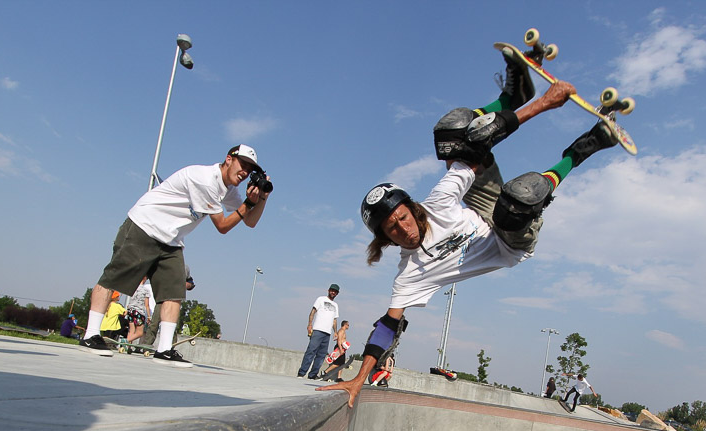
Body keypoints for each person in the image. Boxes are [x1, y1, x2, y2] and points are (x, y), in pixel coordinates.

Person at [322, 55, 625, 407]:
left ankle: (515, 94)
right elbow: (387, 327)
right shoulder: (408, 276)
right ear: (385, 240)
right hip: (510, 241)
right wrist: (360, 378)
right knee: (519, 196)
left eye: (403, 218)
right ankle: (586, 146)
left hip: (482, 208)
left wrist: (543, 103)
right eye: (393, 230)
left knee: (454, 132)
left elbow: (478, 148)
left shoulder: (440, 200)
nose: (404, 230)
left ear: (412, 207)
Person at [76, 145, 270, 366]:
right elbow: (223, 226)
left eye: (249, 169)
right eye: (242, 165)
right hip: (144, 226)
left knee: (174, 293)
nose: (245, 172)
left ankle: (165, 349)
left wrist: (262, 198)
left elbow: (250, 222)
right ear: (228, 159)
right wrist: (248, 203)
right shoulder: (205, 179)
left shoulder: (229, 191)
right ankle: (91, 335)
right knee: (113, 279)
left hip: (171, 240)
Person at [142, 270, 195, 348]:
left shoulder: (183, 268)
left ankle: (170, 346)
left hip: (174, 301)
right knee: (154, 323)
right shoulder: (163, 267)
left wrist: (185, 285)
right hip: (162, 299)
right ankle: (147, 344)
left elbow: (190, 284)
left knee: (171, 324)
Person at [298, 284, 340, 379]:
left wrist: (335, 332)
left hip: (327, 333)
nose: (333, 292)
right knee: (311, 351)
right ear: (328, 290)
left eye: (335, 291)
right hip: (317, 330)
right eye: (332, 290)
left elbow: (334, 320)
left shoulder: (335, 305)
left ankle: (312, 375)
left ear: (337, 294)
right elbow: (312, 312)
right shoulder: (321, 299)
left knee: (321, 355)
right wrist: (310, 324)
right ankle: (301, 373)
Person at [124, 277, 153, 346]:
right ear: (145, 278)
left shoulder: (133, 288)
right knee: (140, 332)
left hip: (130, 311)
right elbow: (147, 305)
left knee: (131, 330)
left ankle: (127, 346)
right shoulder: (145, 290)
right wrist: (149, 316)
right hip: (138, 313)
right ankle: (125, 341)